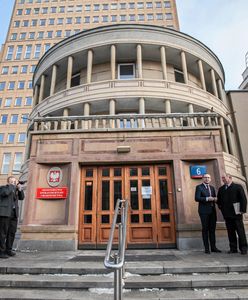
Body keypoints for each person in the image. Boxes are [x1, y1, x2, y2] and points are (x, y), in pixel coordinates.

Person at [217, 173, 247, 255]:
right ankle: (233, 248)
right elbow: (219, 201)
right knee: (230, 232)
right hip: (227, 214)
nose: (222, 179)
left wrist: (242, 210)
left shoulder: (237, 187)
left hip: (237, 213)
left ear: (229, 177)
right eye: (222, 178)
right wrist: (222, 209)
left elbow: (243, 199)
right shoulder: (221, 189)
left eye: (224, 177)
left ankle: (243, 248)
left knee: (240, 231)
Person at [195, 173, 221, 254]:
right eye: (205, 177)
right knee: (205, 229)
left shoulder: (212, 188)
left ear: (210, 179)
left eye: (208, 177)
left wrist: (216, 199)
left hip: (212, 211)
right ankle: (207, 248)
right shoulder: (199, 187)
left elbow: (214, 198)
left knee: (212, 230)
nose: (207, 179)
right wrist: (207, 198)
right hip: (203, 211)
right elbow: (197, 198)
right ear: (203, 178)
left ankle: (213, 247)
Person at [0, 176, 25, 258]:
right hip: (5, 213)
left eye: (15, 182)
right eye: (12, 181)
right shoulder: (3, 188)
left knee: (11, 233)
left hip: (14, 214)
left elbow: (22, 197)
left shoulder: (16, 190)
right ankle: (1, 251)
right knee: (3, 233)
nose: (14, 183)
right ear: (8, 183)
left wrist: (20, 189)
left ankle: (8, 250)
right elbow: (5, 193)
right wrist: (12, 186)